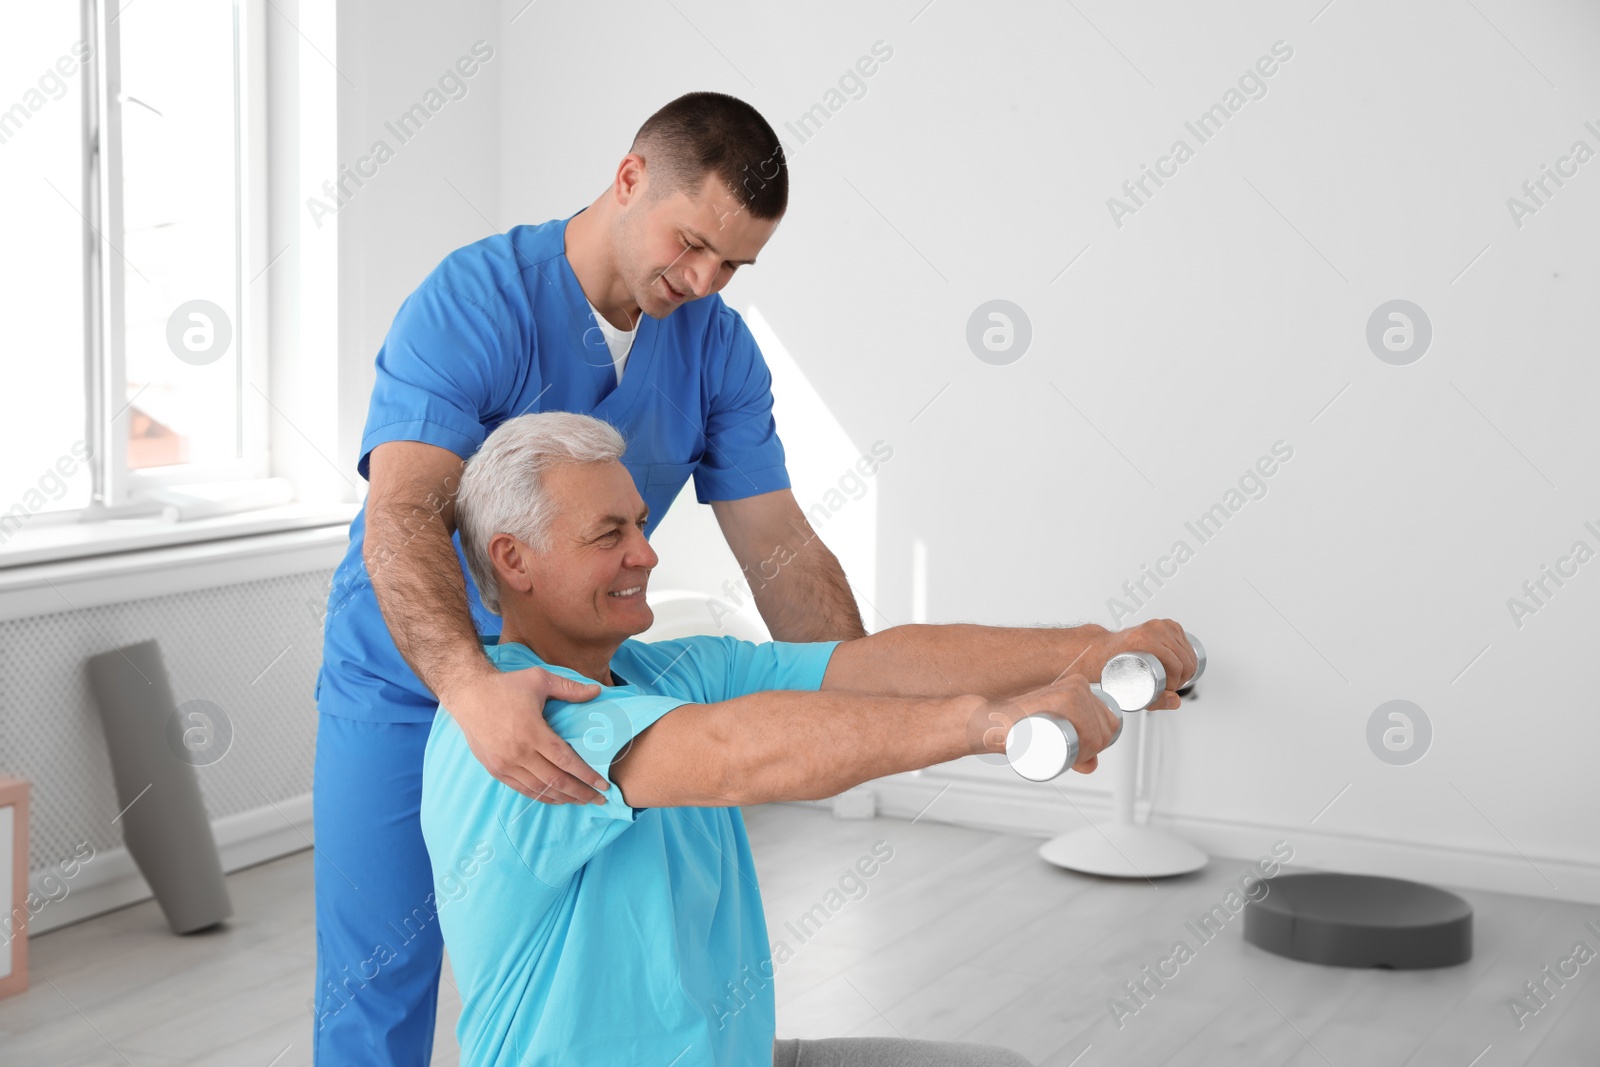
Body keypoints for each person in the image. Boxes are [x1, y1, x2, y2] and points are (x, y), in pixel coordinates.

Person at [311, 92, 867, 1064]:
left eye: (734, 264)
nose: (705, 279)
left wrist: (864, 693)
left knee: (596, 985)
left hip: (574, 696)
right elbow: (402, 513)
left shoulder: (716, 348)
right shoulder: (477, 300)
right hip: (408, 679)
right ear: (628, 179)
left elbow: (778, 541)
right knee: (378, 984)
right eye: (692, 242)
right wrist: (471, 687)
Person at [419, 411, 1199, 1066]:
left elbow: (873, 665)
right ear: (513, 559)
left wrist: (1089, 648)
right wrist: (986, 724)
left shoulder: (671, 668)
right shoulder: (512, 723)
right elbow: (730, 754)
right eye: (608, 534)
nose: (645, 552)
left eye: (642, 525)